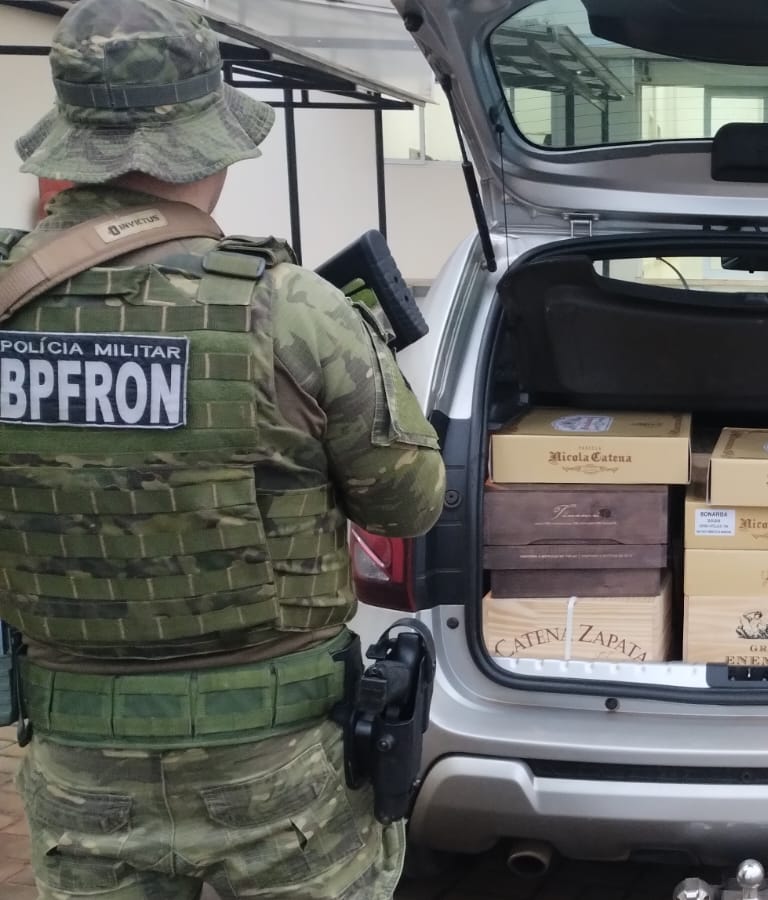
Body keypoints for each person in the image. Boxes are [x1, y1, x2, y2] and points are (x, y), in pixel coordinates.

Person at [0, 0, 446, 897]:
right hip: (277, 770)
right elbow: (408, 504)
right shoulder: (293, 310)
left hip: (79, 764)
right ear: (209, 148)